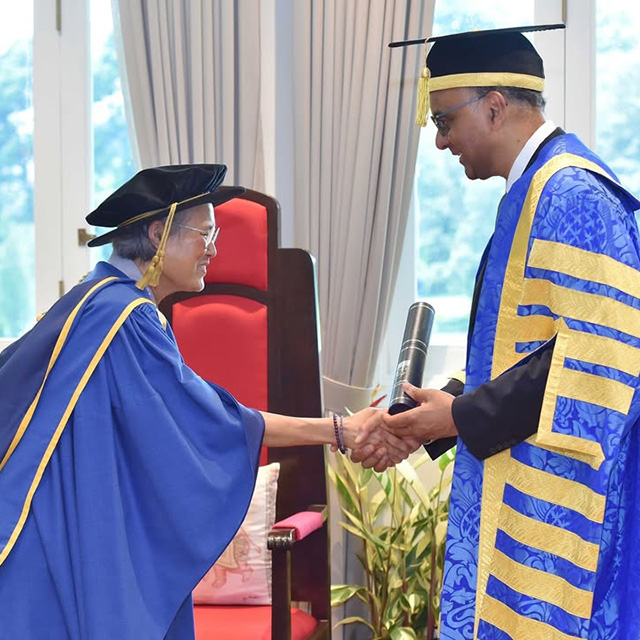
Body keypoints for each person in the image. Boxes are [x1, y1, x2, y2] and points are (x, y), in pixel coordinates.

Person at [0, 164, 410, 639]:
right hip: (68, 553)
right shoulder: (128, 320)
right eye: (204, 234)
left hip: (39, 539)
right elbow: (221, 424)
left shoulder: (91, 302)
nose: (214, 249)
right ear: (158, 235)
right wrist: (338, 430)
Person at [374, 25, 640, 640]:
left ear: (494, 106)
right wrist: (444, 407)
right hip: (519, 481)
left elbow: (600, 359)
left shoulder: (573, 192)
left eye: (444, 121)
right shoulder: (532, 190)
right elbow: (529, 350)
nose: (440, 142)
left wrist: (462, 416)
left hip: (560, 510)